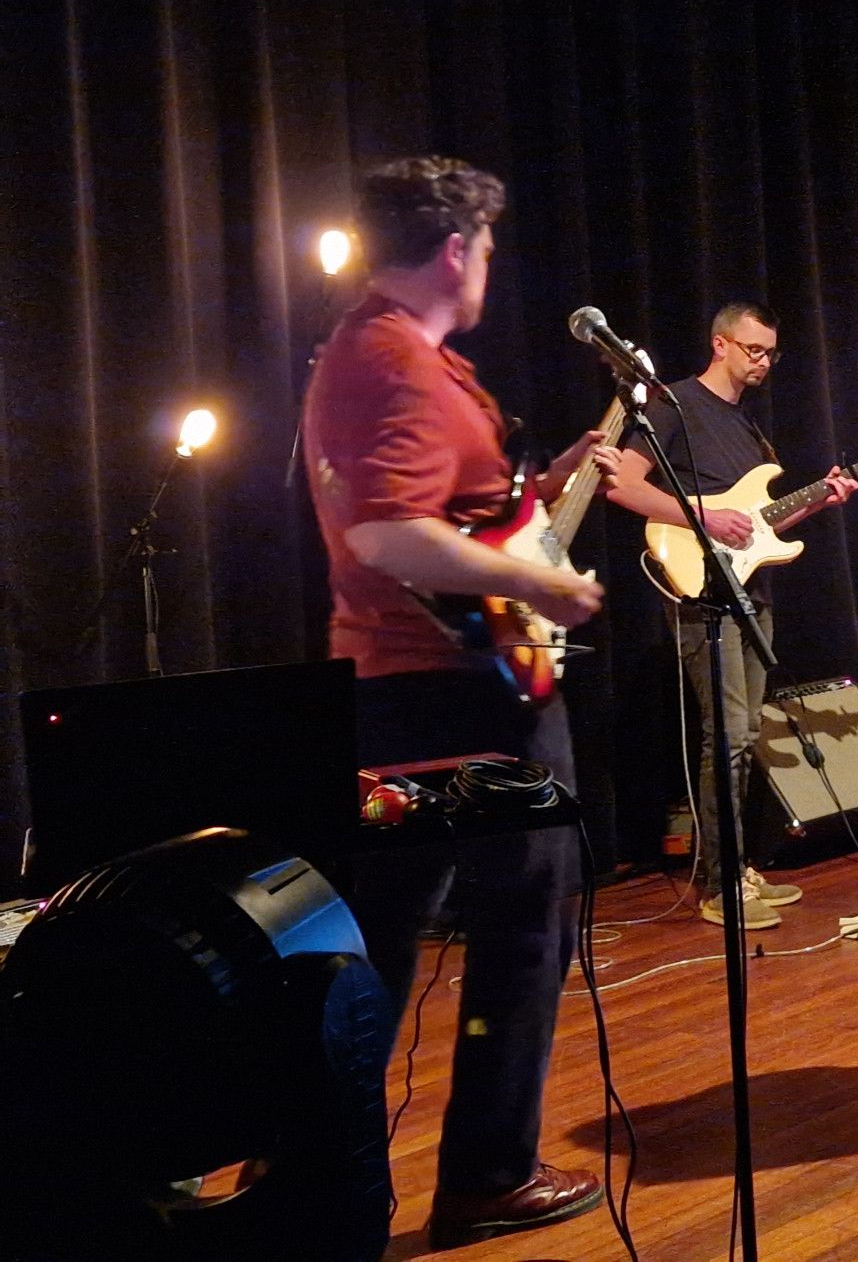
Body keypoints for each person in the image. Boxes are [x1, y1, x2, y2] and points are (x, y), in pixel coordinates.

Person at [302, 156, 607, 1250]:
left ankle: (304, 1171)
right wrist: (546, 584)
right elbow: (390, 532)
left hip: (409, 692)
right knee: (524, 923)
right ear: (452, 250)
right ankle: (485, 1173)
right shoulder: (396, 364)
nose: (487, 265)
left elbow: (453, 512)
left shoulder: (379, 349)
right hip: (458, 700)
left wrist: (542, 493)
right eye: (484, 248)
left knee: (380, 936)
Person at [593, 302, 858, 929]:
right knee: (729, 736)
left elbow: (760, 528)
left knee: (744, 737)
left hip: (750, 590)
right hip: (698, 586)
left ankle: (737, 869)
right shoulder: (673, 403)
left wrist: (823, 499)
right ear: (721, 344)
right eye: (754, 350)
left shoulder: (749, 430)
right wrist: (702, 515)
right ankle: (717, 884)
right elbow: (621, 485)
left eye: (771, 353)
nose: (764, 362)